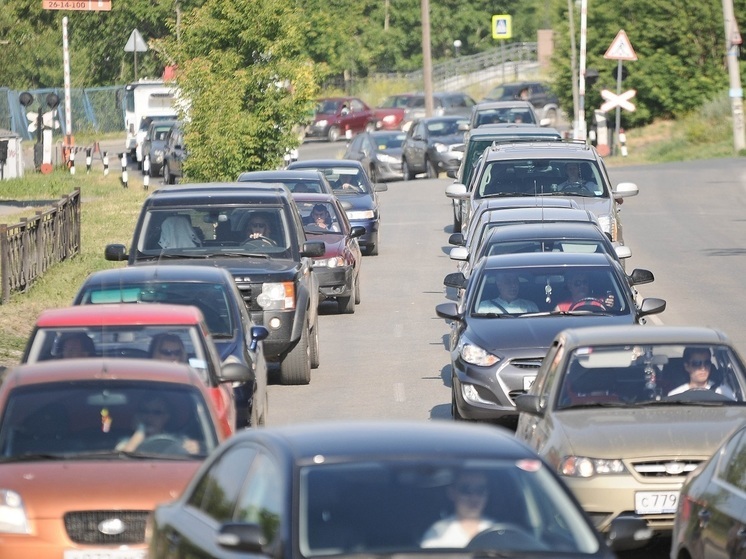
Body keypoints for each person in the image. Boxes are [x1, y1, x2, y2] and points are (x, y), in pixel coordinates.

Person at [421, 471, 494, 548]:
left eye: (480, 490)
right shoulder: (438, 532)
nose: (474, 498)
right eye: (466, 490)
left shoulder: (497, 531)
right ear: (452, 493)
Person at [116, 395, 200, 454]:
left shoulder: (179, 440)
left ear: (167, 417)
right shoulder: (127, 441)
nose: (149, 416)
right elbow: (120, 463)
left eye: (157, 412)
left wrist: (194, 448)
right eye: (145, 411)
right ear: (138, 416)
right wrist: (140, 432)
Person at [668, 347, 736, 399]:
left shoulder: (723, 392)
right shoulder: (675, 396)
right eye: (696, 364)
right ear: (687, 367)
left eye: (707, 363)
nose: (703, 368)